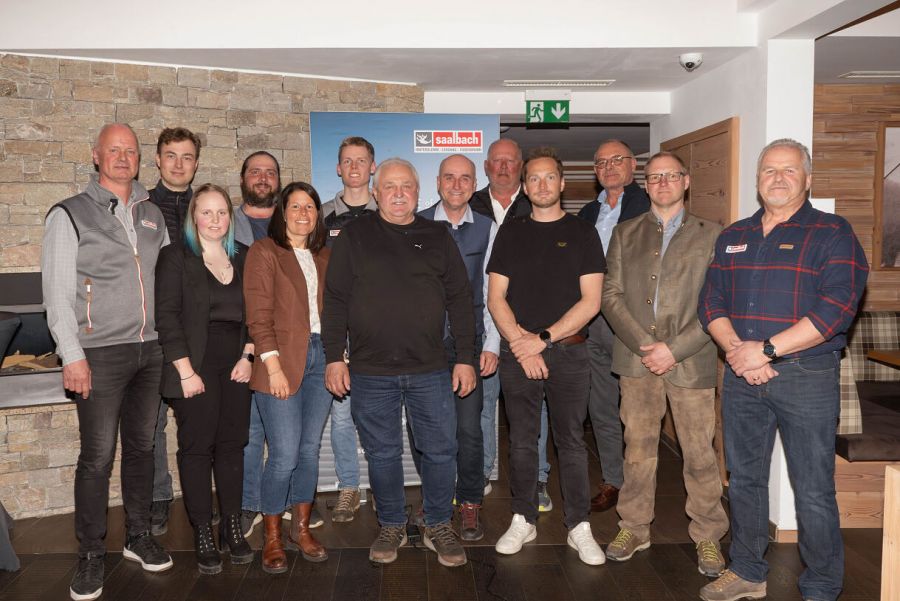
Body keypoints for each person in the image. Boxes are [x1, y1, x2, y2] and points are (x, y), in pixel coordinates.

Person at [698, 139, 868, 601]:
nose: (778, 178)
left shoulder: (833, 233)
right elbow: (710, 300)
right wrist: (739, 351)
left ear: (807, 179)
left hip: (806, 377)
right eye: (769, 170)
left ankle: (821, 585)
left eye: (789, 171)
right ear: (757, 180)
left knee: (812, 487)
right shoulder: (733, 234)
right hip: (741, 376)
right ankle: (749, 572)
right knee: (745, 478)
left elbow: (836, 308)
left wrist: (767, 351)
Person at [322, 158, 476, 568]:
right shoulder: (354, 236)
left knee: (441, 451)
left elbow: (461, 300)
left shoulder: (438, 236)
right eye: (389, 186)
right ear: (375, 191)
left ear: (418, 191)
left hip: (431, 369)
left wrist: (465, 358)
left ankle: (439, 523)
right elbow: (334, 300)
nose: (398, 193)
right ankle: (391, 524)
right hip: (371, 372)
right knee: (383, 454)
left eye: (406, 186)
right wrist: (334, 358)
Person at [42, 123, 173, 601]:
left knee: (142, 448)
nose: (123, 158)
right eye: (114, 150)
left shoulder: (152, 213)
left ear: (140, 160)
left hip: (151, 350)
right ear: (95, 156)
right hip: (98, 354)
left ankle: (138, 535)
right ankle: (91, 554)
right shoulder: (69, 214)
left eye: (131, 151)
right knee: (97, 457)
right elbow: (56, 295)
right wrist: (71, 354)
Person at [600, 152, 728, 575]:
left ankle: (708, 536)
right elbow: (611, 295)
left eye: (670, 176)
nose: (662, 183)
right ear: (646, 183)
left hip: (692, 361)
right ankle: (633, 527)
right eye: (654, 177)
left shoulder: (713, 235)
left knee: (699, 453)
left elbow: (717, 303)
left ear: (686, 181)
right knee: (637, 451)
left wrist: (674, 349)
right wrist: (645, 345)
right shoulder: (625, 233)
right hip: (637, 365)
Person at [487, 147, 606, 565]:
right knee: (521, 442)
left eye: (548, 177)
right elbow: (495, 297)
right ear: (524, 185)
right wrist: (522, 343)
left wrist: (543, 339)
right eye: (533, 179)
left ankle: (579, 526)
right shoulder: (511, 231)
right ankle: (522, 517)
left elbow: (591, 302)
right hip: (518, 353)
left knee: (571, 442)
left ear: (562, 183)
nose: (541, 185)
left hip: (569, 355)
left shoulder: (582, 233)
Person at [155, 184, 254, 575]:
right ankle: (202, 532)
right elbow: (167, 317)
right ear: (193, 218)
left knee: (232, 447)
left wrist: (248, 356)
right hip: (192, 366)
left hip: (236, 366)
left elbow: (259, 314)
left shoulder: (244, 257)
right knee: (197, 449)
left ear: (230, 218)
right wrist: (185, 372)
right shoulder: (175, 257)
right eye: (207, 212)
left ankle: (231, 526)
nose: (215, 220)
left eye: (222, 213)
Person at [243, 181, 333, 574]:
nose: (303, 213)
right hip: (279, 360)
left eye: (310, 206)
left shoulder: (326, 255)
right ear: (282, 213)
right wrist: (273, 367)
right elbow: (258, 316)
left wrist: (339, 356)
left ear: (317, 215)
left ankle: (301, 529)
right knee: (284, 455)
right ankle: (273, 536)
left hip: (322, 359)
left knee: (310, 450)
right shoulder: (265, 252)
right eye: (295, 206)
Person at [416, 154, 500, 541]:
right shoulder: (415, 226)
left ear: (474, 182)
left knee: (468, 429)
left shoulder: (488, 228)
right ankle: (436, 498)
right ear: (437, 182)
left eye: (465, 178)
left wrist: (493, 344)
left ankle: (468, 502)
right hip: (423, 348)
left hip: (470, 346)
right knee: (426, 431)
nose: (456, 184)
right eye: (449, 177)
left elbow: (493, 291)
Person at [469, 139, 553, 510]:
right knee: (485, 406)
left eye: (511, 161)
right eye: (497, 162)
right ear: (486, 166)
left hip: (532, 332)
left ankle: (538, 478)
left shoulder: (538, 204)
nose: (503, 167)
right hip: (486, 328)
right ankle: (486, 471)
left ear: (521, 166)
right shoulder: (469, 205)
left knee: (535, 410)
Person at [577, 138, 651, 513]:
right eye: (601, 162)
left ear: (633, 165)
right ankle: (612, 480)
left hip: (632, 323)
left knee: (636, 411)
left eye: (616, 160)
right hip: (591, 323)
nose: (608, 167)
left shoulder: (649, 206)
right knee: (601, 407)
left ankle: (640, 489)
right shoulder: (587, 214)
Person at [319, 136, 378, 523]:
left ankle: (383, 484)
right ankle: (349, 488)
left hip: (381, 331)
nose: (354, 167)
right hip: (340, 329)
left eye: (362, 160)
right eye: (347, 161)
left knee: (379, 413)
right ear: (338, 168)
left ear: (373, 167)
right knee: (341, 417)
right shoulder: (320, 216)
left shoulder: (390, 211)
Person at [147, 126, 202, 536]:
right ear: (158, 160)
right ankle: (159, 498)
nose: (179, 164)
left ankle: (199, 499)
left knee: (196, 425)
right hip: (151, 332)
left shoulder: (209, 209)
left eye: (186, 156)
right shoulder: (141, 207)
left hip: (199, 335)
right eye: (171, 155)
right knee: (151, 424)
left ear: (195, 163)